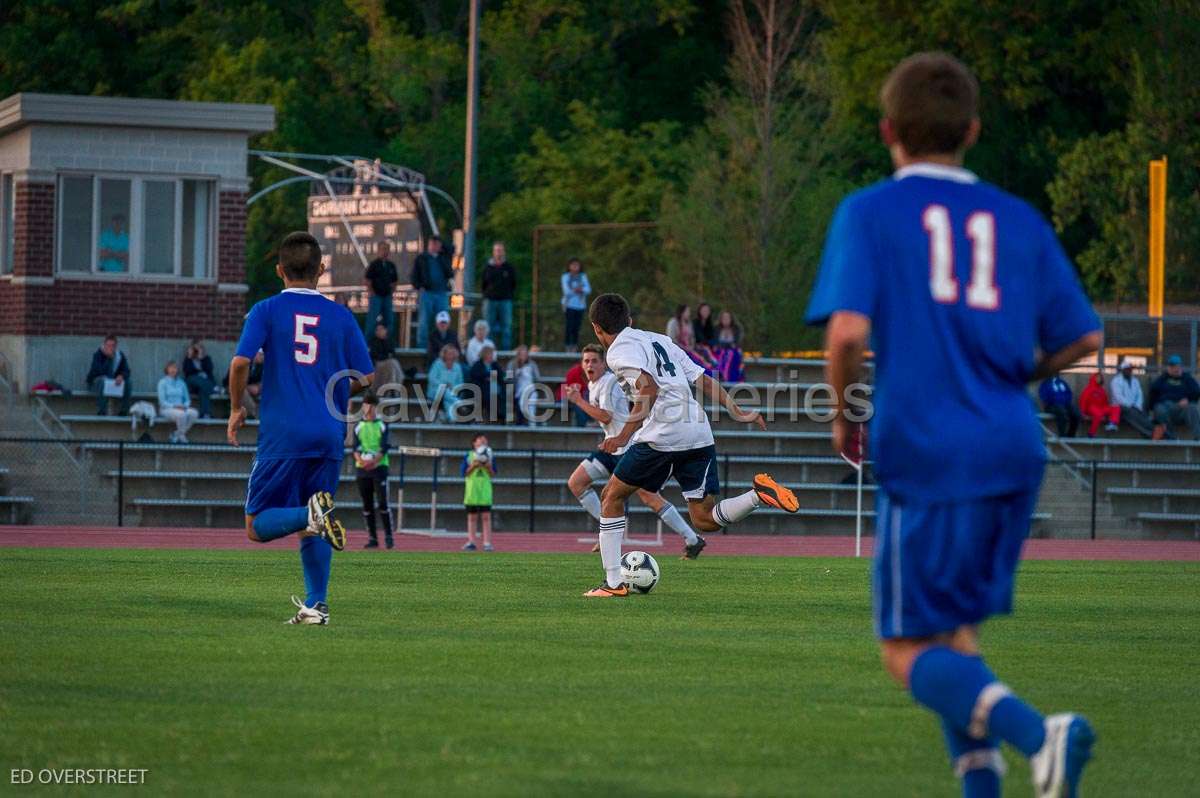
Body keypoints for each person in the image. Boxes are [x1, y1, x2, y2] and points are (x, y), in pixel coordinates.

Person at [804, 52, 1102, 797]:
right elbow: (1085, 339)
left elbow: (845, 335)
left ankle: (1042, 735)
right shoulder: (1016, 218)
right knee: (955, 642)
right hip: (1011, 445)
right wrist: (1016, 378)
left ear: (887, 131)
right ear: (971, 129)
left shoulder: (870, 211)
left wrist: (844, 420)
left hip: (930, 446)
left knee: (904, 651)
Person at [584, 293, 798, 598]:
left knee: (611, 495)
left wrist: (621, 437)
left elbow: (649, 388)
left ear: (596, 328)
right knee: (704, 519)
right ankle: (757, 495)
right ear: (629, 321)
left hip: (662, 435)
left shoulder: (618, 351)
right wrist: (737, 409)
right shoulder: (659, 339)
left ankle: (614, 584)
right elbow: (702, 379)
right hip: (698, 430)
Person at [226, 231, 374, 625]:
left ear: (279, 270)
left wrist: (236, 407)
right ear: (321, 270)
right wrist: (335, 387)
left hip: (283, 433)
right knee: (317, 517)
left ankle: (308, 516)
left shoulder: (266, 310)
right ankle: (316, 605)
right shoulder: (341, 316)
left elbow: (241, 363)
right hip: (328, 433)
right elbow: (368, 376)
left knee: (257, 526)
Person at [565, 344, 706, 559]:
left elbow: (606, 416)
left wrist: (578, 401)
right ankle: (609, 529)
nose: (590, 365)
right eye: (586, 361)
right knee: (576, 483)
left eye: (594, 360)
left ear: (603, 363)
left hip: (627, 447)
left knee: (648, 496)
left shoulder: (609, 382)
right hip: (611, 447)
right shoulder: (595, 384)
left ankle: (693, 539)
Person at [353, 393, 393, 549]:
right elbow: (355, 448)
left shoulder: (382, 425)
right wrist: (362, 461)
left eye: (371, 405)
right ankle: (372, 538)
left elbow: (385, 447)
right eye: (366, 405)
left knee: (383, 503)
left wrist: (374, 461)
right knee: (367, 505)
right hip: (363, 470)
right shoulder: (358, 426)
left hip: (379, 468)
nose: (368, 408)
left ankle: (389, 537)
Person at [411, 235, 454, 350]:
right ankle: (422, 348)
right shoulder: (422, 258)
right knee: (424, 322)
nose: (434, 246)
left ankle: (444, 347)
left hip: (441, 293)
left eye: (437, 244)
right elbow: (414, 276)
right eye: (432, 243)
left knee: (443, 320)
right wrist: (419, 286)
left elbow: (451, 249)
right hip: (427, 293)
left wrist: (441, 246)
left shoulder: (443, 257)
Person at [1148, 354, 1200, 440]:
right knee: (1159, 409)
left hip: (1181, 408)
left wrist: (1188, 399)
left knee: (1192, 408)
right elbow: (1153, 391)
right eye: (1172, 366)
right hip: (1166, 407)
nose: (1174, 368)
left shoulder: (1187, 378)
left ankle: (1198, 438)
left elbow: (1197, 391)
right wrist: (1165, 376)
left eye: (1176, 366)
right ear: (1168, 367)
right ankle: (1171, 438)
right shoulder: (1162, 378)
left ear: (1180, 367)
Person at [461, 434, 496, 551]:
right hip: (472, 491)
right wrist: (473, 465)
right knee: (472, 517)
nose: (483, 444)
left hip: (485, 491)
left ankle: (487, 542)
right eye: (480, 442)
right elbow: (464, 473)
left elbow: (493, 473)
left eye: (485, 442)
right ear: (474, 444)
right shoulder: (469, 455)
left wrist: (487, 466)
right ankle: (471, 541)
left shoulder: (490, 456)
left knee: (486, 517)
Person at [481, 242, 516, 351]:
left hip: (505, 301)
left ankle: (506, 352)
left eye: (500, 250)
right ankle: (489, 351)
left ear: (504, 252)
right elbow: (483, 283)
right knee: (488, 328)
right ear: (493, 252)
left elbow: (514, 283)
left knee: (506, 328)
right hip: (490, 301)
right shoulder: (487, 267)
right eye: (496, 250)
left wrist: (507, 294)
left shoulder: (509, 268)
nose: (498, 253)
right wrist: (488, 294)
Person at [86, 334, 132, 415]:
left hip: (113, 383)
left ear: (116, 346)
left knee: (128, 382)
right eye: (108, 345)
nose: (110, 348)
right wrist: (108, 358)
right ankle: (102, 410)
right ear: (104, 345)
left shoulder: (119, 355)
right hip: (96, 384)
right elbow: (97, 371)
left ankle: (124, 411)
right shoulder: (98, 355)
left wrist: (121, 376)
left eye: (113, 346)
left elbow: (127, 370)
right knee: (103, 380)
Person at [1108, 358, 1154, 438]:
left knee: (1136, 416)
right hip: (1120, 408)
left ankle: (1151, 433)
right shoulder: (1116, 381)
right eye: (1126, 369)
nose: (1129, 371)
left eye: (1130, 369)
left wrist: (1137, 406)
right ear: (1122, 370)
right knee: (1134, 416)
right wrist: (1131, 406)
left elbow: (1139, 395)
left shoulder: (1135, 380)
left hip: (1134, 408)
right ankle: (1150, 433)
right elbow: (1119, 398)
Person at [157, 360, 199, 444]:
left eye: (175, 368)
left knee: (194, 413)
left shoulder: (181, 383)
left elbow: (187, 399)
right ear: (167, 369)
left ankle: (176, 434)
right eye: (171, 368)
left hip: (182, 407)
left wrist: (185, 406)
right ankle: (181, 436)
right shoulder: (162, 382)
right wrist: (175, 406)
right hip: (167, 409)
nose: (173, 370)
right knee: (181, 415)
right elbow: (162, 402)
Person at [364, 241, 399, 340]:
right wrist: (372, 292)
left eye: (387, 249)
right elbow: (367, 280)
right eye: (383, 249)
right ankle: (367, 344)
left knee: (389, 321)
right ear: (378, 250)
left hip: (387, 297)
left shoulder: (391, 265)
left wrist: (391, 292)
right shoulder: (374, 265)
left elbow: (395, 281)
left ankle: (388, 344)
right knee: (372, 321)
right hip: (376, 297)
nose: (385, 251)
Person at [427, 343, 467, 421]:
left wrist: (453, 387)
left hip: (450, 392)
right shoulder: (437, 363)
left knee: (447, 399)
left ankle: (451, 419)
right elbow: (431, 378)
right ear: (444, 354)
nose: (450, 355)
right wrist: (443, 384)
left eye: (452, 354)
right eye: (448, 353)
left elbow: (460, 383)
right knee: (444, 391)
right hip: (435, 391)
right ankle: (458, 403)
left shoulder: (457, 366)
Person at [506, 344, 542, 425]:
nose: (523, 356)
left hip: (530, 389)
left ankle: (532, 423)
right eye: (521, 354)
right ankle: (528, 422)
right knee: (524, 401)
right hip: (518, 390)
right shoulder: (511, 364)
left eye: (525, 354)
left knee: (531, 399)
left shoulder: (532, 364)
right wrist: (517, 375)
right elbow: (508, 379)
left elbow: (537, 379)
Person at [561, 257, 591, 352]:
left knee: (576, 327)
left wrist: (580, 290)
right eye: (573, 265)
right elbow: (566, 292)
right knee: (569, 326)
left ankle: (574, 347)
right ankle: (567, 346)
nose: (575, 267)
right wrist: (578, 290)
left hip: (580, 306)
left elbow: (588, 290)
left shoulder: (582, 276)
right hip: (569, 305)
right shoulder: (565, 277)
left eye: (577, 265)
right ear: (569, 266)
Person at [469, 345, 504, 422]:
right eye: (490, 354)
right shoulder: (477, 365)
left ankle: (501, 416)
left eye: (492, 354)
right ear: (484, 355)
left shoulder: (495, 364)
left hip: (496, 387)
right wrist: (486, 378)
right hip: (483, 389)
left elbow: (501, 376)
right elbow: (475, 377)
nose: (492, 356)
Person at [183, 339, 217, 418]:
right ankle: (214, 388)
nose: (196, 350)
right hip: (192, 384)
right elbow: (187, 372)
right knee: (195, 378)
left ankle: (205, 414)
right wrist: (189, 356)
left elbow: (209, 370)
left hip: (204, 385)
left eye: (198, 348)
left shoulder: (206, 358)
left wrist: (202, 358)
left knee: (203, 390)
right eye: (194, 349)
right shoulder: (188, 359)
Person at [1038, 373, 1079, 438]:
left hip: (1065, 404)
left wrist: (1066, 401)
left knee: (1076, 414)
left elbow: (1069, 393)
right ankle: (1062, 435)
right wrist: (1054, 401)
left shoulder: (1062, 382)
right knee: (1062, 412)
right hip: (1051, 406)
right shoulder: (1045, 384)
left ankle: (1071, 434)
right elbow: (1043, 396)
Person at [368, 322, 403, 394]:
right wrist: (387, 356)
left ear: (385, 330)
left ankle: (393, 389)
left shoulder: (389, 340)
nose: (379, 331)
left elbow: (392, 353)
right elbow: (376, 355)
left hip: (389, 364)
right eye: (377, 330)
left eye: (381, 329)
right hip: (378, 365)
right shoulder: (373, 341)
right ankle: (394, 391)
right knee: (392, 364)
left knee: (393, 364)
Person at [712, 310, 745, 383]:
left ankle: (725, 376)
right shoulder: (717, 329)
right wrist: (728, 345)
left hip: (733, 353)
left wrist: (726, 346)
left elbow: (736, 344)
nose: (725, 320)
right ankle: (720, 375)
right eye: (724, 318)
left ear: (731, 319)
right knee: (720, 356)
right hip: (720, 352)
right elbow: (715, 344)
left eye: (727, 318)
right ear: (720, 319)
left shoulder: (736, 329)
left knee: (730, 354)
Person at [558, 360, 590, 427]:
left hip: (581, 397)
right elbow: (566, 389)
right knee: (579, 405)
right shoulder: (574, 372)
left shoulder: (593, 373)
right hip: (566, 395)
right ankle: (582, 427)